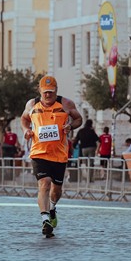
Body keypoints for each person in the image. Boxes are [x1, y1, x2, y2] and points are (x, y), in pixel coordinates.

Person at [21, 75, 83, 237]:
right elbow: (24, 118)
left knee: (56, 189)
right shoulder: (32, 104)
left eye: (51, 92)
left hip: (59, 155)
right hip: (38, 152)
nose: (48, 95)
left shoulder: (66, 104)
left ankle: (53, 208)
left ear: (56, 90)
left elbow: (79, 119)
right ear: (39, 90)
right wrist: (26, 131)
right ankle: (45, 219)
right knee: (44, 184)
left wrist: (71, 126)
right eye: (45, 92)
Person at [72, 119, 99, 183]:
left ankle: (87, 176)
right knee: (91, 163)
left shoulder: (81, 131)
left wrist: (74, 147)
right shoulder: (91, 131)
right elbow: (97, 139)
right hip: (92, 148)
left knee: (86, 163)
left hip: (83, 149)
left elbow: (76, 139)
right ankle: (90, 178)